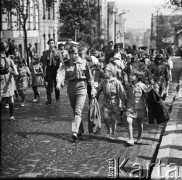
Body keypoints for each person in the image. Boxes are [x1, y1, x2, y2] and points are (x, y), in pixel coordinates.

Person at [56, 46, 95, 142]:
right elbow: (61, 73)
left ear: (78, 53)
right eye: (72, 54)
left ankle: (74, 131)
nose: (74, 55)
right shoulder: (66, 63)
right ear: (69, 54)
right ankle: (80, 129)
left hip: (82, 87)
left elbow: (89, 77)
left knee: (78, 110)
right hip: (71, 87)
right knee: (75, 110)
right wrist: (58, 82)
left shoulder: (84, 62)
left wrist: (93, 88)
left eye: (76, 53)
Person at [96, 63, 126, 139]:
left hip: (115, 102)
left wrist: (123, 103)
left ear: (110, 72)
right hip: (106, 102)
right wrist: (94, 91)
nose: (104, 73)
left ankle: (113, 133)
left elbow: (121, 93)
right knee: (105, 118)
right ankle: (108, 129)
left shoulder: (117, 82)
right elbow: (98, 89)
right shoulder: (103, 82)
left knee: (113, 118)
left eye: (105, 71)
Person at [124, 75, 148, 146]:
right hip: (130, 107)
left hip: (139, 107)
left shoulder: (142, 86)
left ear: (137, 77)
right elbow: (125, 96)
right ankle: (131, 139)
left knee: (139, 123)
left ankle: (139, 138)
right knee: (128, 120)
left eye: (133, 75)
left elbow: (147, 97)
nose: (130, 76)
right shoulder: (128, 85)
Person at [0, 41, 18, 120]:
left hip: (5, 77)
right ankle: (11, 115)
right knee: (10, 97)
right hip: (6, 77)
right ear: (6, 48)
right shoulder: (6, 57)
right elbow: (6, 66)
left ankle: (11, 115)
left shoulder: (7, 57)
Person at [42, 39, 63, 104]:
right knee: (49, 85)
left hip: (56, 69)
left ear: (54, 44)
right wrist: (44, 72)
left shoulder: (58, 52)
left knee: (57, 84)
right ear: (48, 44)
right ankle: (49, 99)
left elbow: (61, 61)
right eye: (50, 43)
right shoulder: (45, 53)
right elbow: (45, 63)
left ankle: (57, 98)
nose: (51, 44)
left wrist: (60, 69)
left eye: (52, 43)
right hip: (49, 70)